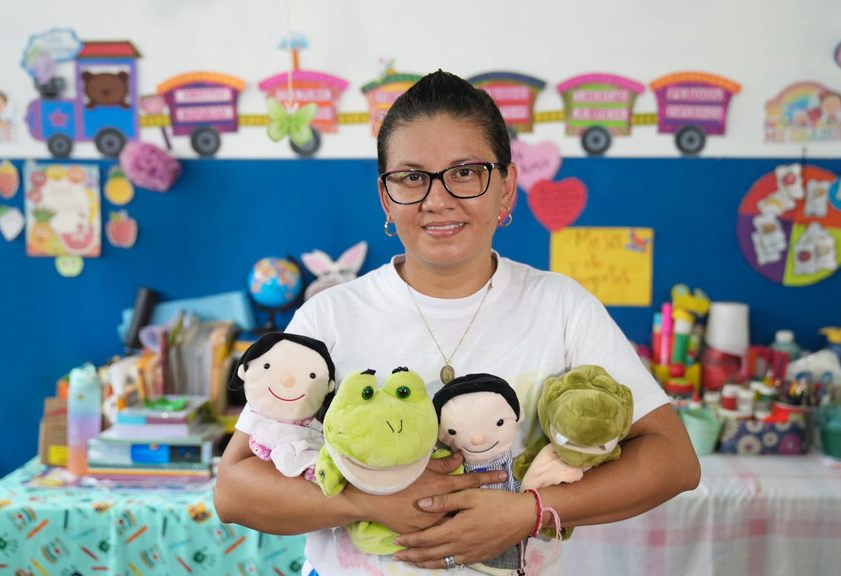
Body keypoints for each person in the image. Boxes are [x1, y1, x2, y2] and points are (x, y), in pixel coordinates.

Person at [214, 70, 701, 575]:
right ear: (385, 196)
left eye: (466, 172)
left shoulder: (561, 306)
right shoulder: (332, 314)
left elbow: (674, 461)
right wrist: (365, 501)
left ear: (507, 187)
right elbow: (234, 488)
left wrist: (526, 513)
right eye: (411, 177)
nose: (438, 199)